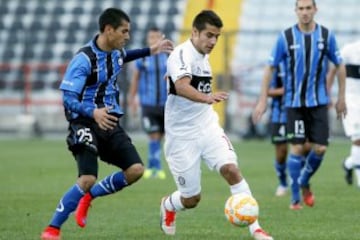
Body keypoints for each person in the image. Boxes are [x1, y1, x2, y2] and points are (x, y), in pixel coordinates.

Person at [40, 8, 173, 240]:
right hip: (84, 122)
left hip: (110, 122)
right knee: (87, 178)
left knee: (136, 171)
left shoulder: (116, 52)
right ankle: (52, 229)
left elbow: (125, 56)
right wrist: (93, 112)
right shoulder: (83, 60)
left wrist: (152, 50)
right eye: (124, 31)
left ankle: (89, 198)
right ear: (108, 30)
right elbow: (68, 99)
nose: (127, 36)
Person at [159, 10, 273, 240]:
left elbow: (179, 83)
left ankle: (256, 229)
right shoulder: (181, 54)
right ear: (194, 32)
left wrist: (201, 98)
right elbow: (182, 86)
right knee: (191, 199)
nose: (213, 41)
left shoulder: (203, 56)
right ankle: (169, 205)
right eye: (209, 35)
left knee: (231, 169)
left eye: (217, 37)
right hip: (181, 136)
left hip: (207, 125)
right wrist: (207, 97)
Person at [253, 0, 346, 210]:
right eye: (301, 9)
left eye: (308, 8)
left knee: (320, 148)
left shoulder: (326, 35)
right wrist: (262, 100)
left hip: (319, 102)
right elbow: (269, 68)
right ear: (295, 11)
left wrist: (341, 97)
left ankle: (304, 181)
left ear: (315, 10)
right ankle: (295, 198)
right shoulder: (285, 37)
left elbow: (339, 65)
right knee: (296, 147)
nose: (304, 12)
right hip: (294, 104)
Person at [128, 27, 168, 180]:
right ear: (148, 39)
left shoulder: (169, 56)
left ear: (161, 38)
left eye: (157, 37)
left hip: (166, 105)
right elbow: (135, 79)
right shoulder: (143, 58)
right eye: (151, 37)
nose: (154, 40)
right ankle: (156, 168)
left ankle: (152, 166)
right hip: (148, 104)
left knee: (160, 137)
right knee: (153, 135)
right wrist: (132, 101)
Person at [327, 40, 360, 187]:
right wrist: (326, 93)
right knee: (358, 139)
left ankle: (348, 164)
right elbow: (333, 69)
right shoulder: (350, 50)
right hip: (352, 101)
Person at [267, 62, 289, 197]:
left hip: (301, 112)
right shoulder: (278, 66)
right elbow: (267, 90)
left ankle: (299, 179)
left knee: (305, 147)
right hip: (280, 115)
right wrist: (283, 91)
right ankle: (283, 183)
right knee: (281, 152)